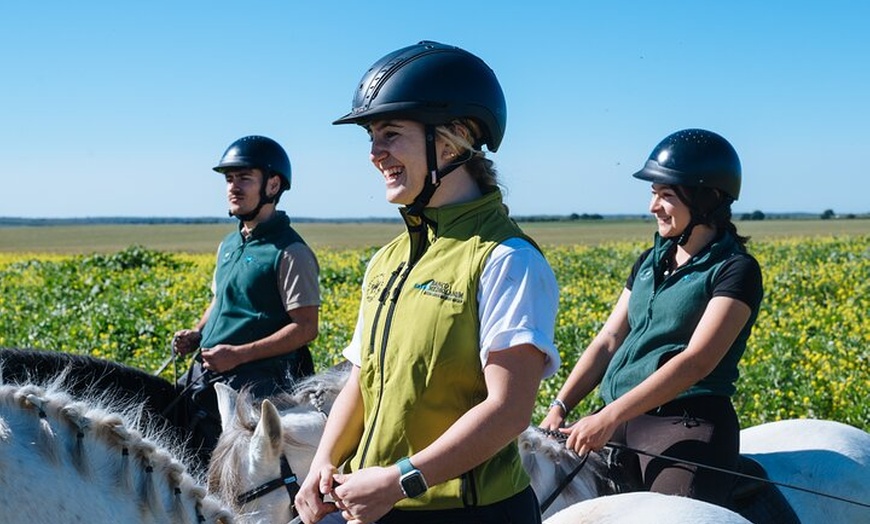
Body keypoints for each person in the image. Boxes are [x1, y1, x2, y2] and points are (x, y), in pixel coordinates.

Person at [295, 41, 560, 524]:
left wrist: (401, 480)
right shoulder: (388, 259)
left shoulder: (506, 258)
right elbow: (362, 377)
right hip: (376, 504)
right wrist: (322, 462)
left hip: (467, 513)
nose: (376, 154)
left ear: (453, 139)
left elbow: (509, 410)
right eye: (371, 137)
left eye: (391, 133)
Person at [539, 128, 763, 507]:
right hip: (617, 417)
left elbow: (696, 361)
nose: (653, 206)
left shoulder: (735, 270)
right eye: (653, 193)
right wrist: (560, 407)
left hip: (685, 425)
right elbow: (609, 340)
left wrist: (608, 417)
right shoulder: (649, 262)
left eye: (666, 196)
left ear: (706, 200)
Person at [171, 135, 321, 463]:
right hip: (212, 367)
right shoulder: (228, 244)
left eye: (245, 178)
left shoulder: (290, 251)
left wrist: (238, 355)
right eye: (229, 179)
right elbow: (221, 300)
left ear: (273, 185)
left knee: (239, 468)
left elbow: (306, 328)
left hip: (257, 379)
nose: (233, 188)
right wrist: (198, 332)